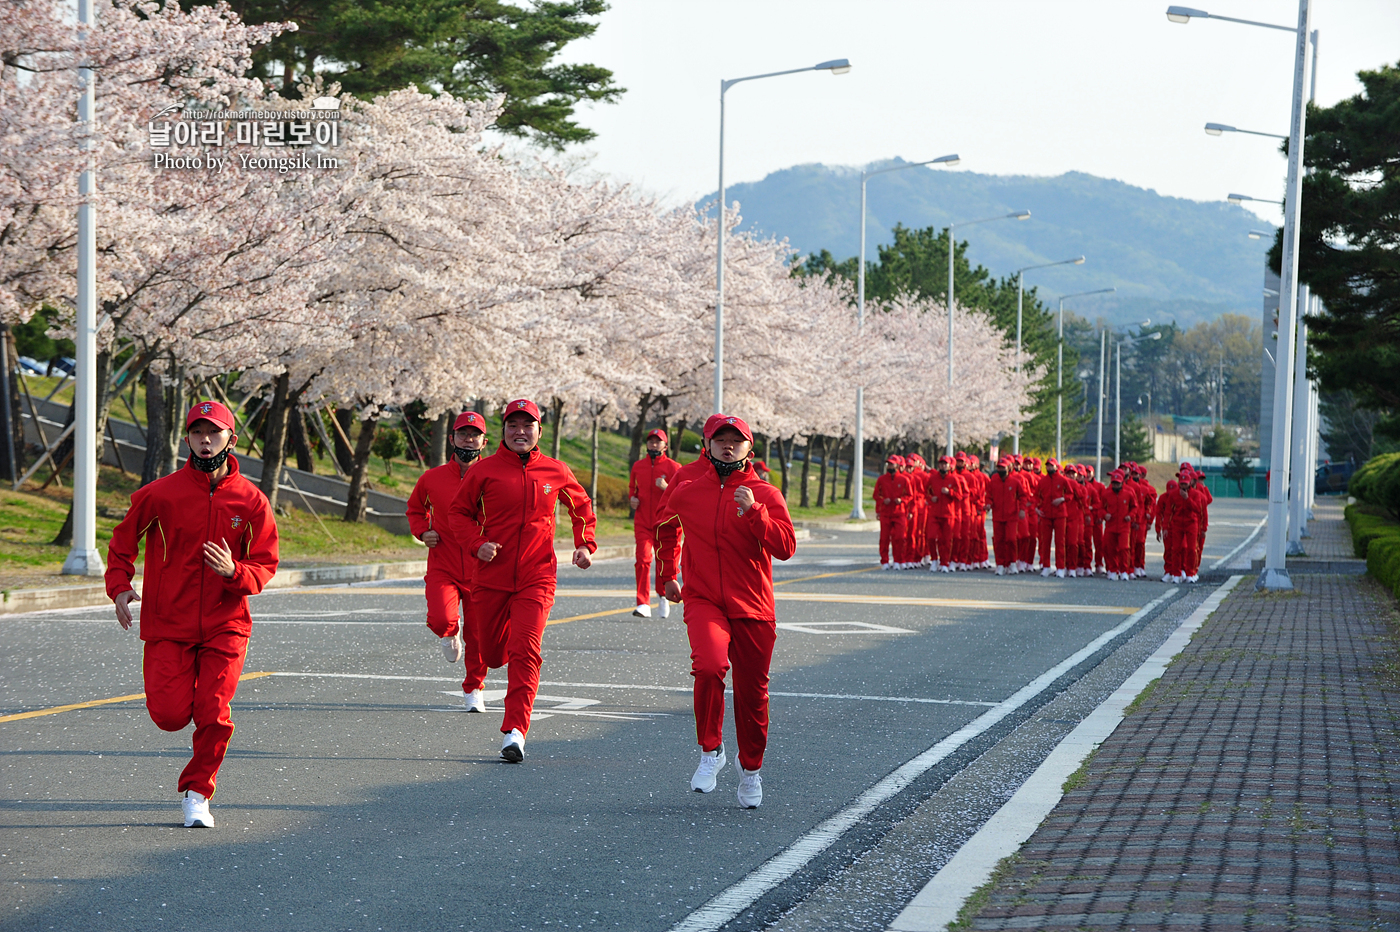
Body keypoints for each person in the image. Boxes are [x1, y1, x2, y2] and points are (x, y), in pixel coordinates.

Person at [105, 400, 279, 828]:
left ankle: (198, 792)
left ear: (230, 439)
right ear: (187, 438)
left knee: (214, 711)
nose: (205, 440)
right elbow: (122, 542)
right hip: (169, 623)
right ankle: (192, 771)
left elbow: (266, 562)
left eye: (214, 432)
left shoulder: (252, 501)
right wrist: (120, 586)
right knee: (169, 716)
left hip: (227, 624)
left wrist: (234, 571)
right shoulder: (160, 493)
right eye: (197, 432)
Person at [656, 414, 796, 809]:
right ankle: (710, 751)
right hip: (704, 599)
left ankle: (750, 769)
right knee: (709, 666)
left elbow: (785, 547)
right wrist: (667, 573)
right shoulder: (687, 487)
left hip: (752, 605)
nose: (728, 446)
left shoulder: (764, 492)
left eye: (737, 440)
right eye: (721, 440)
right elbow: (665, 525)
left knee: (753, 695)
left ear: (750, 448)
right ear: (708, 444)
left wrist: (755, 513)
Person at [449, 399, 597, 763]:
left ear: (539, 431)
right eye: (512, 425)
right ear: (503, 431)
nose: (520, 432)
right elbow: (458, 513)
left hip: (537, 577)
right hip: (490, 578)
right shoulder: (485, 472)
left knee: (526, 651)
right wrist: (477, 544)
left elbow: (581, 507)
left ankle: (515, 731)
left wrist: (584, 544)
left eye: (527, 425)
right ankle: (491, 658)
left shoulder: (555, 470)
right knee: (492, 652)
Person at [406, 411, 489, 711]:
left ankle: (474, 689)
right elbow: (415, 509)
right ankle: (449, 631)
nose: (468, 439)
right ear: (452, 438)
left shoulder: (493, 476)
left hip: (483, 566)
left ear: (484, 440)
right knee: (441, 618)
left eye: (474, 434)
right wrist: (422, 531)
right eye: (463, 433)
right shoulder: (432, 478)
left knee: (479, 635)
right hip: (443, 563)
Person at [629, 428, 682, 618]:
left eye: (657, 441)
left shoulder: (674, 468)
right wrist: (632, 499)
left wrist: (666, 488)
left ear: (665, 445)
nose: (653, 444)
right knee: (643, 559)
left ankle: (663, 596)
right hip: (643, 521)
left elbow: (682, 495)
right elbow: (632, 490)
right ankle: (642, 603)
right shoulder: (638, 467)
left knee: (664, 561)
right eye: (650, 441)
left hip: (665, 523)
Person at [1034, 458, 1074, 577]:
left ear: (1056, 467)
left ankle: (1060, 567)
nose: (1049, 468)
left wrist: (1062, 499)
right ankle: (1046, 566)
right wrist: (1036, 508)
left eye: (1051, 466)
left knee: (1060, 542)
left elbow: (1070, 494)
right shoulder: (1042, 481)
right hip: (1046, 514)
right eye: (1048, 466)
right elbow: (1036, 496)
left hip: (1060, 514)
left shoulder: (1063, 480)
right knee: (1045, 541)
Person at [987, 454, 1025, 575]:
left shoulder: (1015, 481)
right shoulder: (993, 481)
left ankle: (1012, 562)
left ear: (1008, 468)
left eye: (1003, 468)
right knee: (998, 541)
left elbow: (1023, 496)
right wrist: (988, 504)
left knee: (1011, 540)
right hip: (997, 515)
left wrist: (1022, 509)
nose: (1001, 470)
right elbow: (988, 496)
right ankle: (1000, 564)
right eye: (999, 468)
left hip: (1011, 516)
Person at [1101, 469, 1137, 580]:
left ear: (1122, 482)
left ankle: (1124, 570)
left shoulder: (1129, 492)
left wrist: (1130, 516)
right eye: (1114, 483)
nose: (1116, 485)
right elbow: (1101, 507)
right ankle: (1112, 570)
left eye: (1118, 483)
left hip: (1124, 526)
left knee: (1124, 548)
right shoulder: (1106, 493)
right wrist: (1104, 514)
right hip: (1111, 525)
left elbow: (1134, 507)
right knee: (1110, 549)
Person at [874, 455, 910, 569]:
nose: (890, 466)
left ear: (897, 465)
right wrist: (883, 501)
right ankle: (884, 561)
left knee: (900, 537)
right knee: (884, 538)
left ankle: (899, 560)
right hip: (886, 513)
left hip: (899, 513)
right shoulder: (882, 479)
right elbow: (876, 495)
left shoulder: (904, 480)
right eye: (888, 464)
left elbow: (910, 495)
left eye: (892, 464)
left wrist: (902, 500)